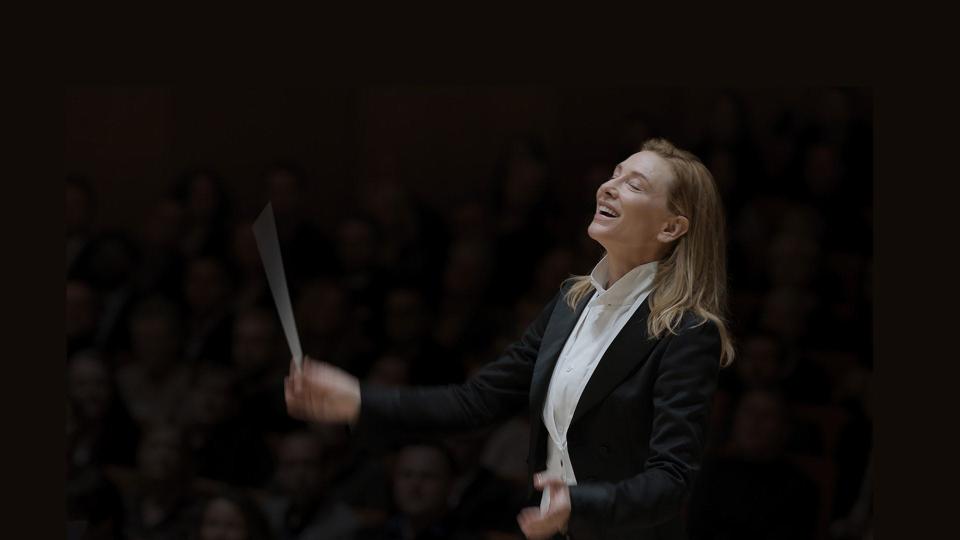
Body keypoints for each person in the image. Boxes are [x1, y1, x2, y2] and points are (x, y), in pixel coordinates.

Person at [285, 138, 736, 540]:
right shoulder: (571, 302)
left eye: (634, 185)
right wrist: (360, 400)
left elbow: (671, 479)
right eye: (615, 174)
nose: (609, 186)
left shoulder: (688, 330)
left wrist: (579, 503)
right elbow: (476, 401)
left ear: (671, 228)